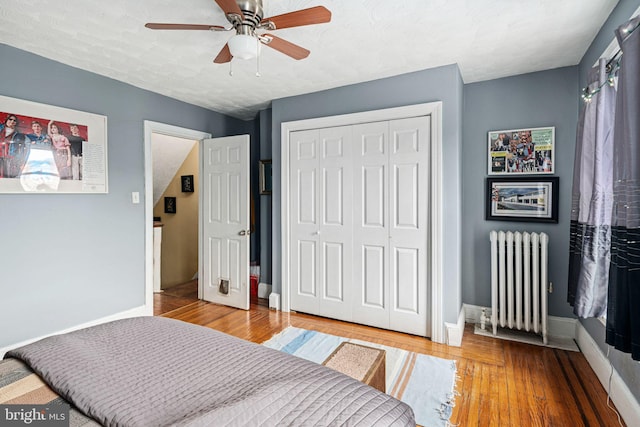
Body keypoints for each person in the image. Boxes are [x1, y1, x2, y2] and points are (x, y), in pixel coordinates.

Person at [0, 114, 26, 178]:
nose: (12, 121)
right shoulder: (1, 129)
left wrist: (19, 161)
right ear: (6, 120)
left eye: (14, 120)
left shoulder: (18, 135)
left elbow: (21, 149)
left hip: (9, 158)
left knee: (7, 176)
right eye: (10, 119)